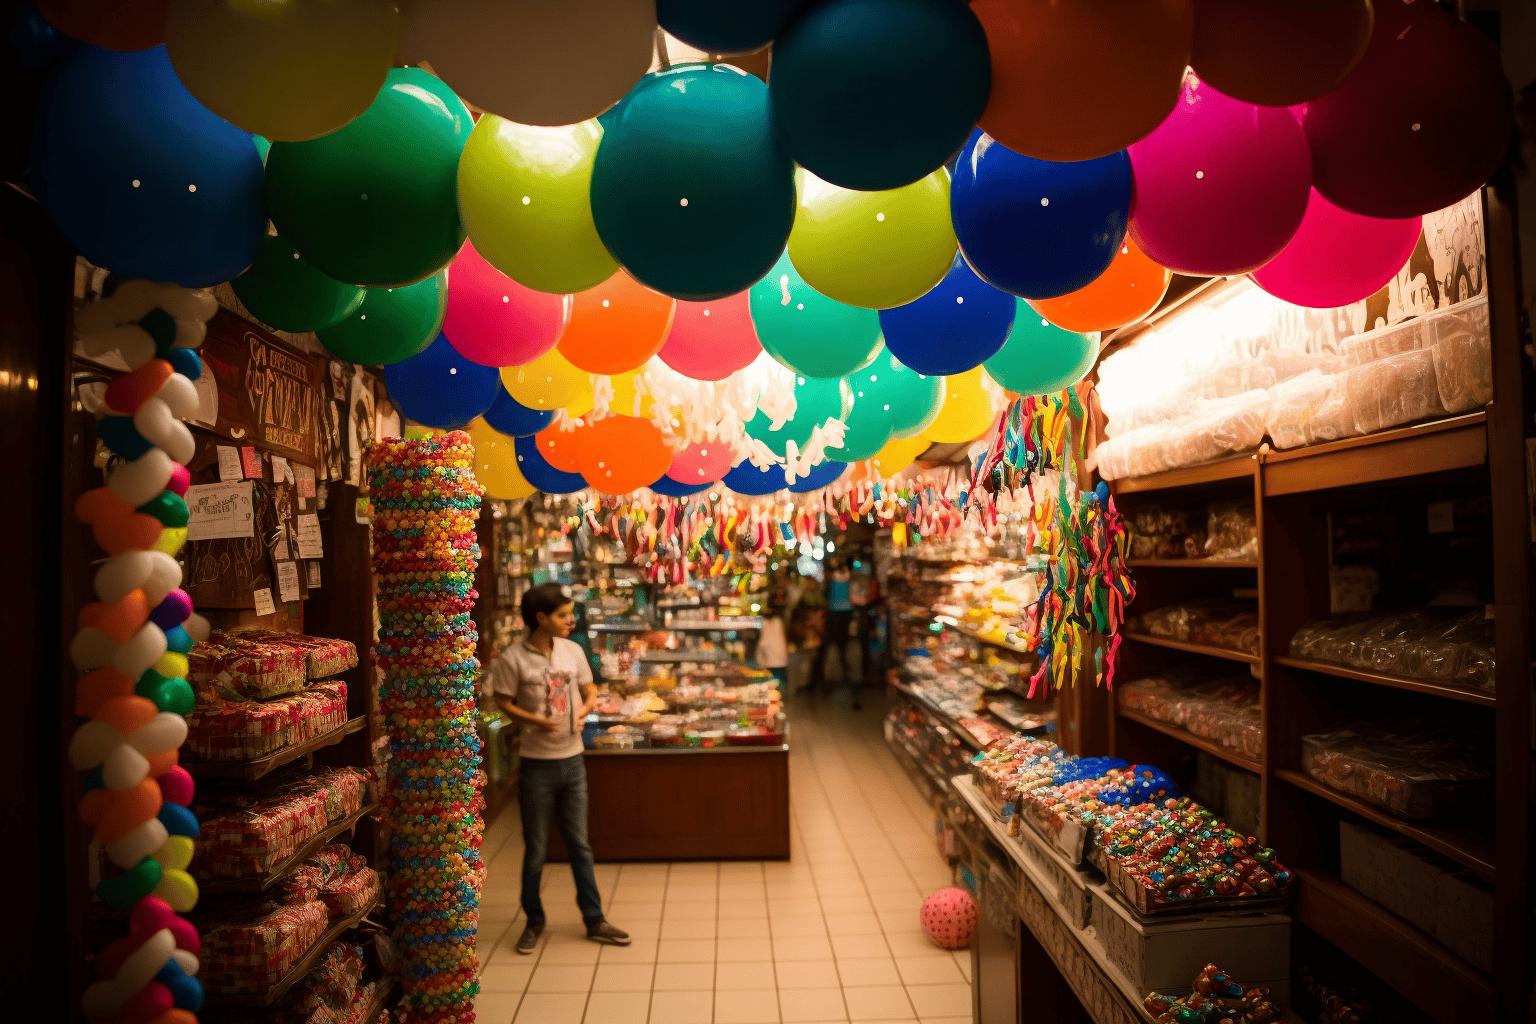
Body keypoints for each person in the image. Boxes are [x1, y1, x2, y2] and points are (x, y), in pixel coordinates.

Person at [486, 582, 629, 953]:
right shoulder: (514, 658)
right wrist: (535, 720)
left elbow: (590, 688)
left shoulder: (572, 650)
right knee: (536, 851)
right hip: (537, 767)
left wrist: (585, 709)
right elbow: (502, 700)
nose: (571, 620)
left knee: (580, 845)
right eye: (563, 615)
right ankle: (533, 920)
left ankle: (594, 919)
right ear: (540, 618)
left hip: (574, 762)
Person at [756, 584, 789, 687]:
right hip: (773, 659)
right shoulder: (774, 619)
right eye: (777, 597)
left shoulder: (775, 619)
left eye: (782, 596)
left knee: (774, 687)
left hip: (775, 659)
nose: (780, 600)